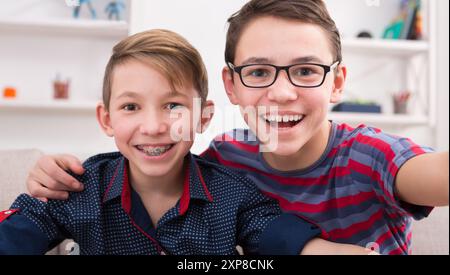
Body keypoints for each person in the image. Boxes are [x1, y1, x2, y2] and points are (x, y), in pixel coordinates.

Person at [25, 0, 448, 255]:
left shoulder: (372, 155)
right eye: (260, 72)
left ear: (336, 82)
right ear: (231, 85)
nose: (282, 93)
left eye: (305, 70)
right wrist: (55, 174)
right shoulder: (225, 160)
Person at [0, 29, 371, 255]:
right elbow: (20, 231)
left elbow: (286, 241)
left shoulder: (233, 195)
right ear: (107, 119)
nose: (154, 126)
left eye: (173, 106)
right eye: (131, 106)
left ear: (204, 117)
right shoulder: (78, 188)